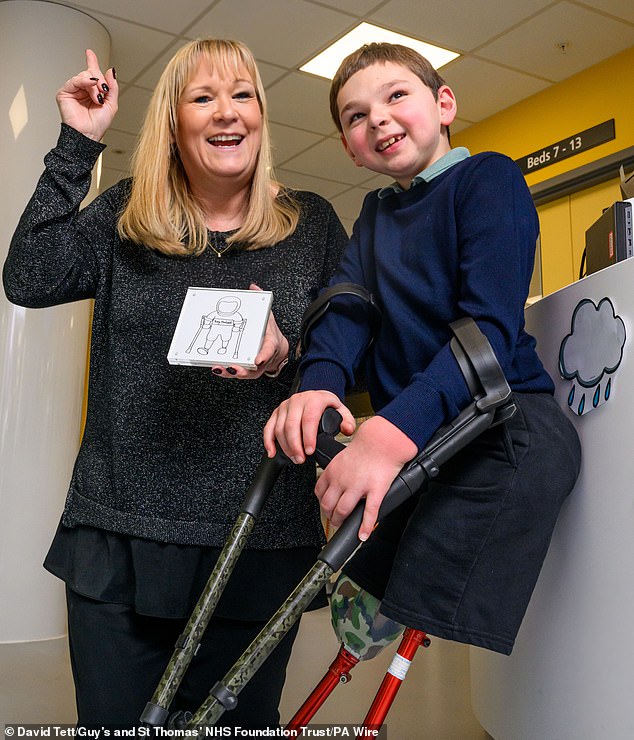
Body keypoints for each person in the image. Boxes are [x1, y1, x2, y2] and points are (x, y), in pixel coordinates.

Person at [3, 39, 347, 726]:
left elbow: (345, 365)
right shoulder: (127, 216)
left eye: (243, 94)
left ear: (261, 115)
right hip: (121, 536)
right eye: (204, 96)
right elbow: (29, 276)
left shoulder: (311, 226)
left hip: (258, 539)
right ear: (173, 121)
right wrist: (77, 144)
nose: (228, 113)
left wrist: (287, 355)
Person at [264, 42, 582, 658]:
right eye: (355, 116)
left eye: (395, 96)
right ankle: (372, 590)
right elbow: (347, 308)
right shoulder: (374, 218)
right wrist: (317, 382)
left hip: (499, 424)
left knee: (431, 575)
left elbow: (487, 327)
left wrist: (389, 433)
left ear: (443, 104)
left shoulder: (487, 178)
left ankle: (397, 600)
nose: (377, 118)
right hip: (420, 433)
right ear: (350, 148)